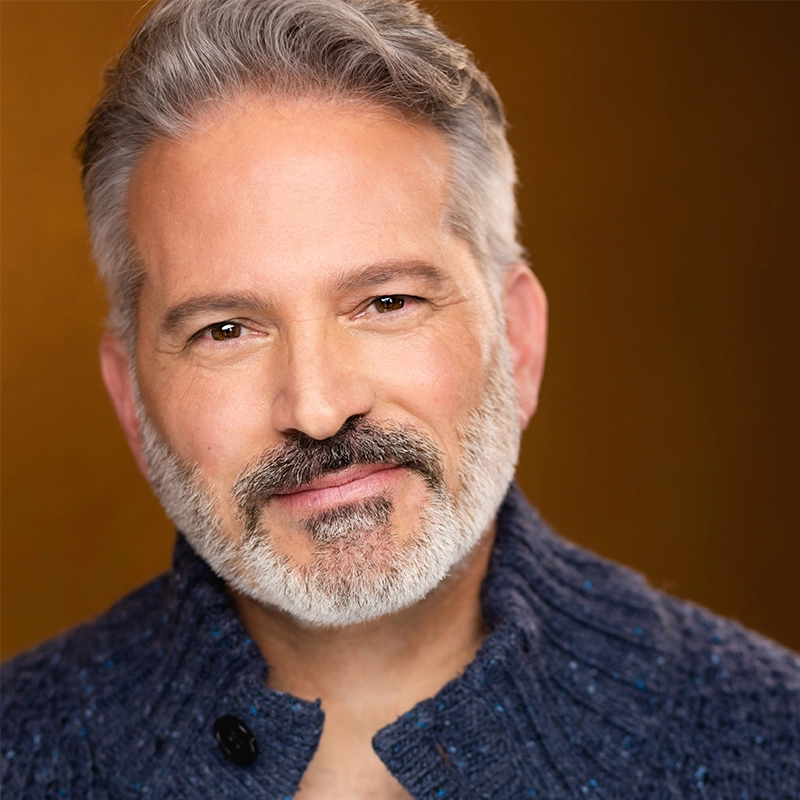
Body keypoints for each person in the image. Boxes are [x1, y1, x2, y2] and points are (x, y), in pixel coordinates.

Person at [2, 0, 798, 797]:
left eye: (388, 303)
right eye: (225, 330)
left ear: (517, 341)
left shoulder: (772, 744)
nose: (317, 409)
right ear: (132, 398)